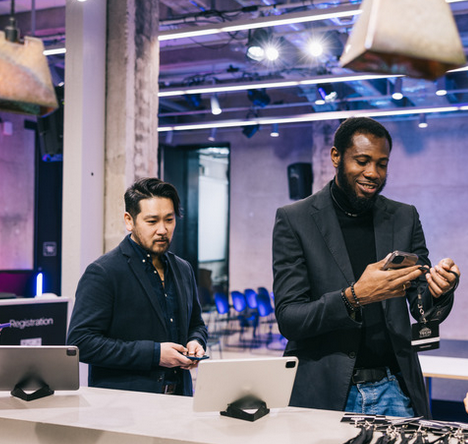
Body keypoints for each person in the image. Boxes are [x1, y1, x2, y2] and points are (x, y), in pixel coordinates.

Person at [272, 117, 460, 418]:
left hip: (395, 388)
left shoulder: (404, 217)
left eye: (382, 164)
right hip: (325, 392)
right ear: (336, 156)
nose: (373, 173)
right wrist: (353, 297)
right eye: (362, 161)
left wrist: (441, 289)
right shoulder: (295, 219)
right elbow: (289, 319)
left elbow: (421, 307)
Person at [67, 177, 208, 396]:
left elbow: (196, 324)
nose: (162, 230)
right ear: (129, 221)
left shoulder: (183, 269)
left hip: (180, 399)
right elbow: (81, 343)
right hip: (126, 405)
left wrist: (195, 341)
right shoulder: (104, 272)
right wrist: (154, 354)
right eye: (152, 221)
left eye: (169, 220)